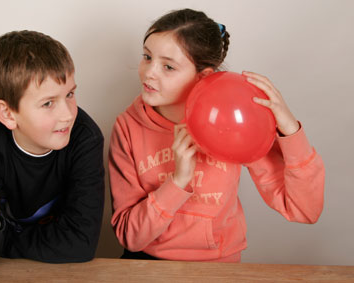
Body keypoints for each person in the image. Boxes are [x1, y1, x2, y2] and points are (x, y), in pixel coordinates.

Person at [109, 9, 325, 262]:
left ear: (204, 76)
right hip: (147, 262)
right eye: (147, 56)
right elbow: (130, 237)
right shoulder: (127, 127)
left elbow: (305, 210)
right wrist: (178, 182)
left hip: (218, 266)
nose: (149, 72)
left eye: (168, 66)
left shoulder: (233, 121)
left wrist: (290, 131)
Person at [0, 30, 105, 268]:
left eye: (70, 94)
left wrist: (1, 240)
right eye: (48, 103)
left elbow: (81, 243)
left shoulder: (86, 137)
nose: (68, 114)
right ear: (8, 114)